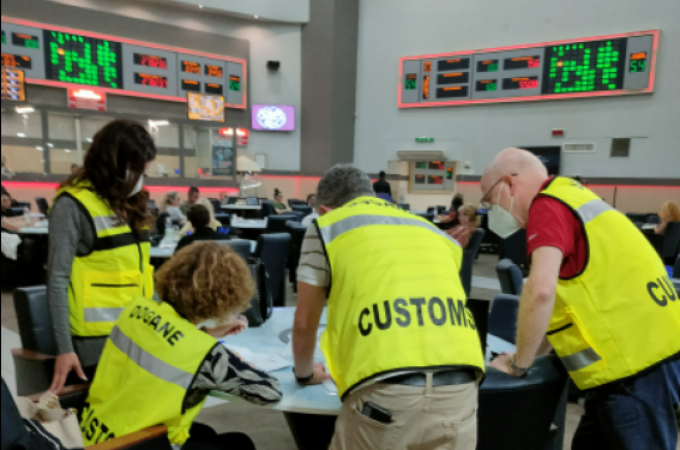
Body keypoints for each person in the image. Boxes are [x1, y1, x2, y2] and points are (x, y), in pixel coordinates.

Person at [480, 148, 680, 450]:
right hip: (633, 359)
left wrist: (518, 365)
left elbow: (540, 290)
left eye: (490, 200)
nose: (492, 211)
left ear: (509, 184)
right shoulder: (572, 195)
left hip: (634, 364)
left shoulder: (546, 205)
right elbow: (560, 305)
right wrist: (531, 357)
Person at [293, 164, 485, 450]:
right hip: (461, 386)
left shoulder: (328, 226)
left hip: (387, 391)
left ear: (324, 209)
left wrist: (305, 373)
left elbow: (304, 323)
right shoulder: (427, 228)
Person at [80, 242, 282, 450]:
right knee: (239, 444)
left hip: (94, 431)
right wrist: (234, 358)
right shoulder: (204, 354)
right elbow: (269, 392)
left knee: (207, 434)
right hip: (135, 444)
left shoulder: (136, 309)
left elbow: (165, 343)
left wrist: (206, 333)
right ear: (227, 299)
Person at [47, 119, 158, 394]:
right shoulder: (72, 205)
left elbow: (141, 274)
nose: (140, 177)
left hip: (139, 333)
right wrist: (64, 349)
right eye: (135, 169)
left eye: (143, 170)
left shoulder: (131, 203)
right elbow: (57, 280)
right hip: (96, 344)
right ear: (112, 163)